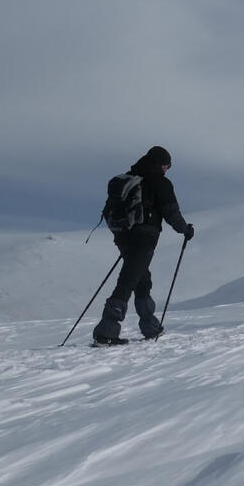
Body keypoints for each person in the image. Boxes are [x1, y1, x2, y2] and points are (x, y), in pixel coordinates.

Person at [92, 146, 194, 344]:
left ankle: (150, 327)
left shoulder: (128, 179)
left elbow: (108, 210)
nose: (166, 169)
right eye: (166, 165)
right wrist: (185, 230)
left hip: (123, 236)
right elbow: (171, 212)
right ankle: (106, 332)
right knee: (128, 281)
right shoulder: (160, 182)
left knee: (142, 279)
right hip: (145, 237)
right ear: (159, 163)